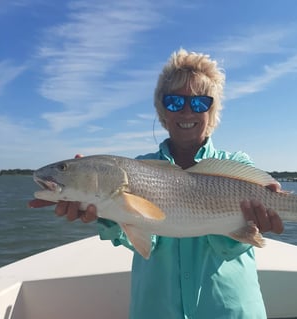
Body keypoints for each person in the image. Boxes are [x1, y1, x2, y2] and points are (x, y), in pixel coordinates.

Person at [30, 49, 283, 318]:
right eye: (174, 102)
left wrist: (253, 225)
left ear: (213, 109)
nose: (187, 111)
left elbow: (233, 246)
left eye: (199, 103)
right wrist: (106, 216)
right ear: (161, 108)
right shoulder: (139, 167)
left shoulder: (237, 165)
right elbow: (145, 240)